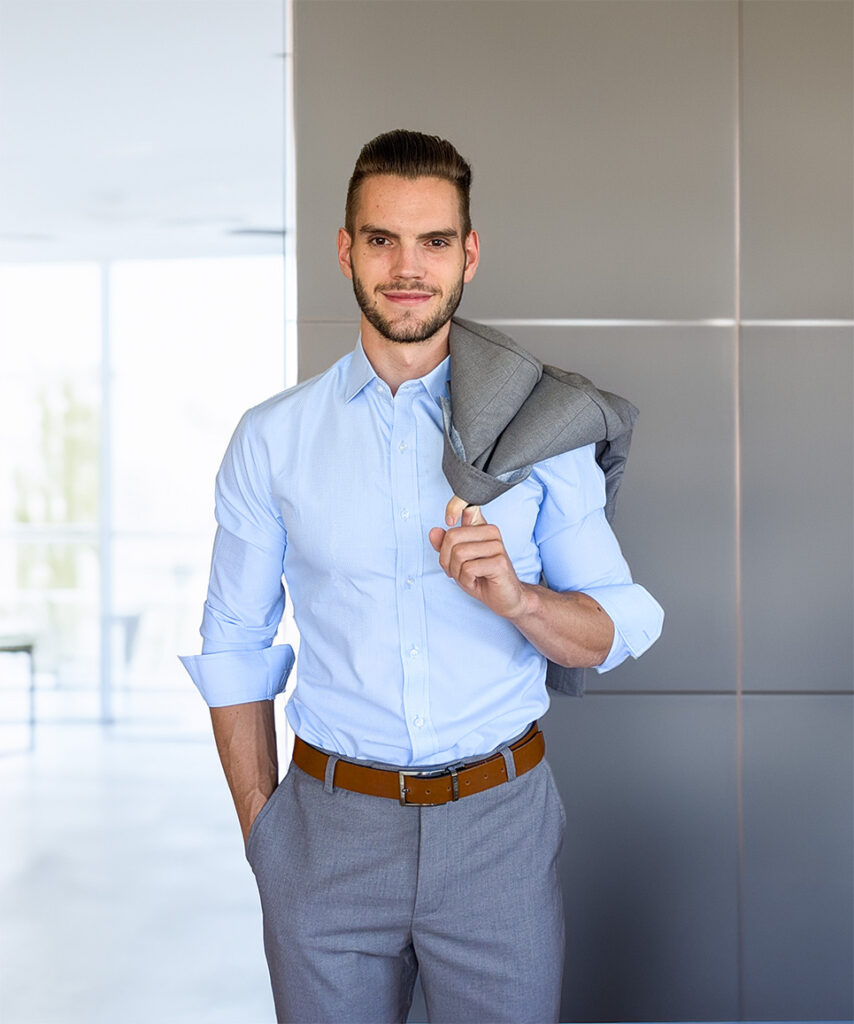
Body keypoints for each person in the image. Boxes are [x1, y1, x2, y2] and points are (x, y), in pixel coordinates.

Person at [181, 129, 663, 1024]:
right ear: (346, 250)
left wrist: (517, 599)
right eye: (382, 239)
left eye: (434, 241)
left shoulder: (542, 429)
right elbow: (234, 643)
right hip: (326, 835)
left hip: (498, 829)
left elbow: (622, 622)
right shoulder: (272, 439)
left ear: (468, 254)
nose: (408, 267)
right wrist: (264, 833)